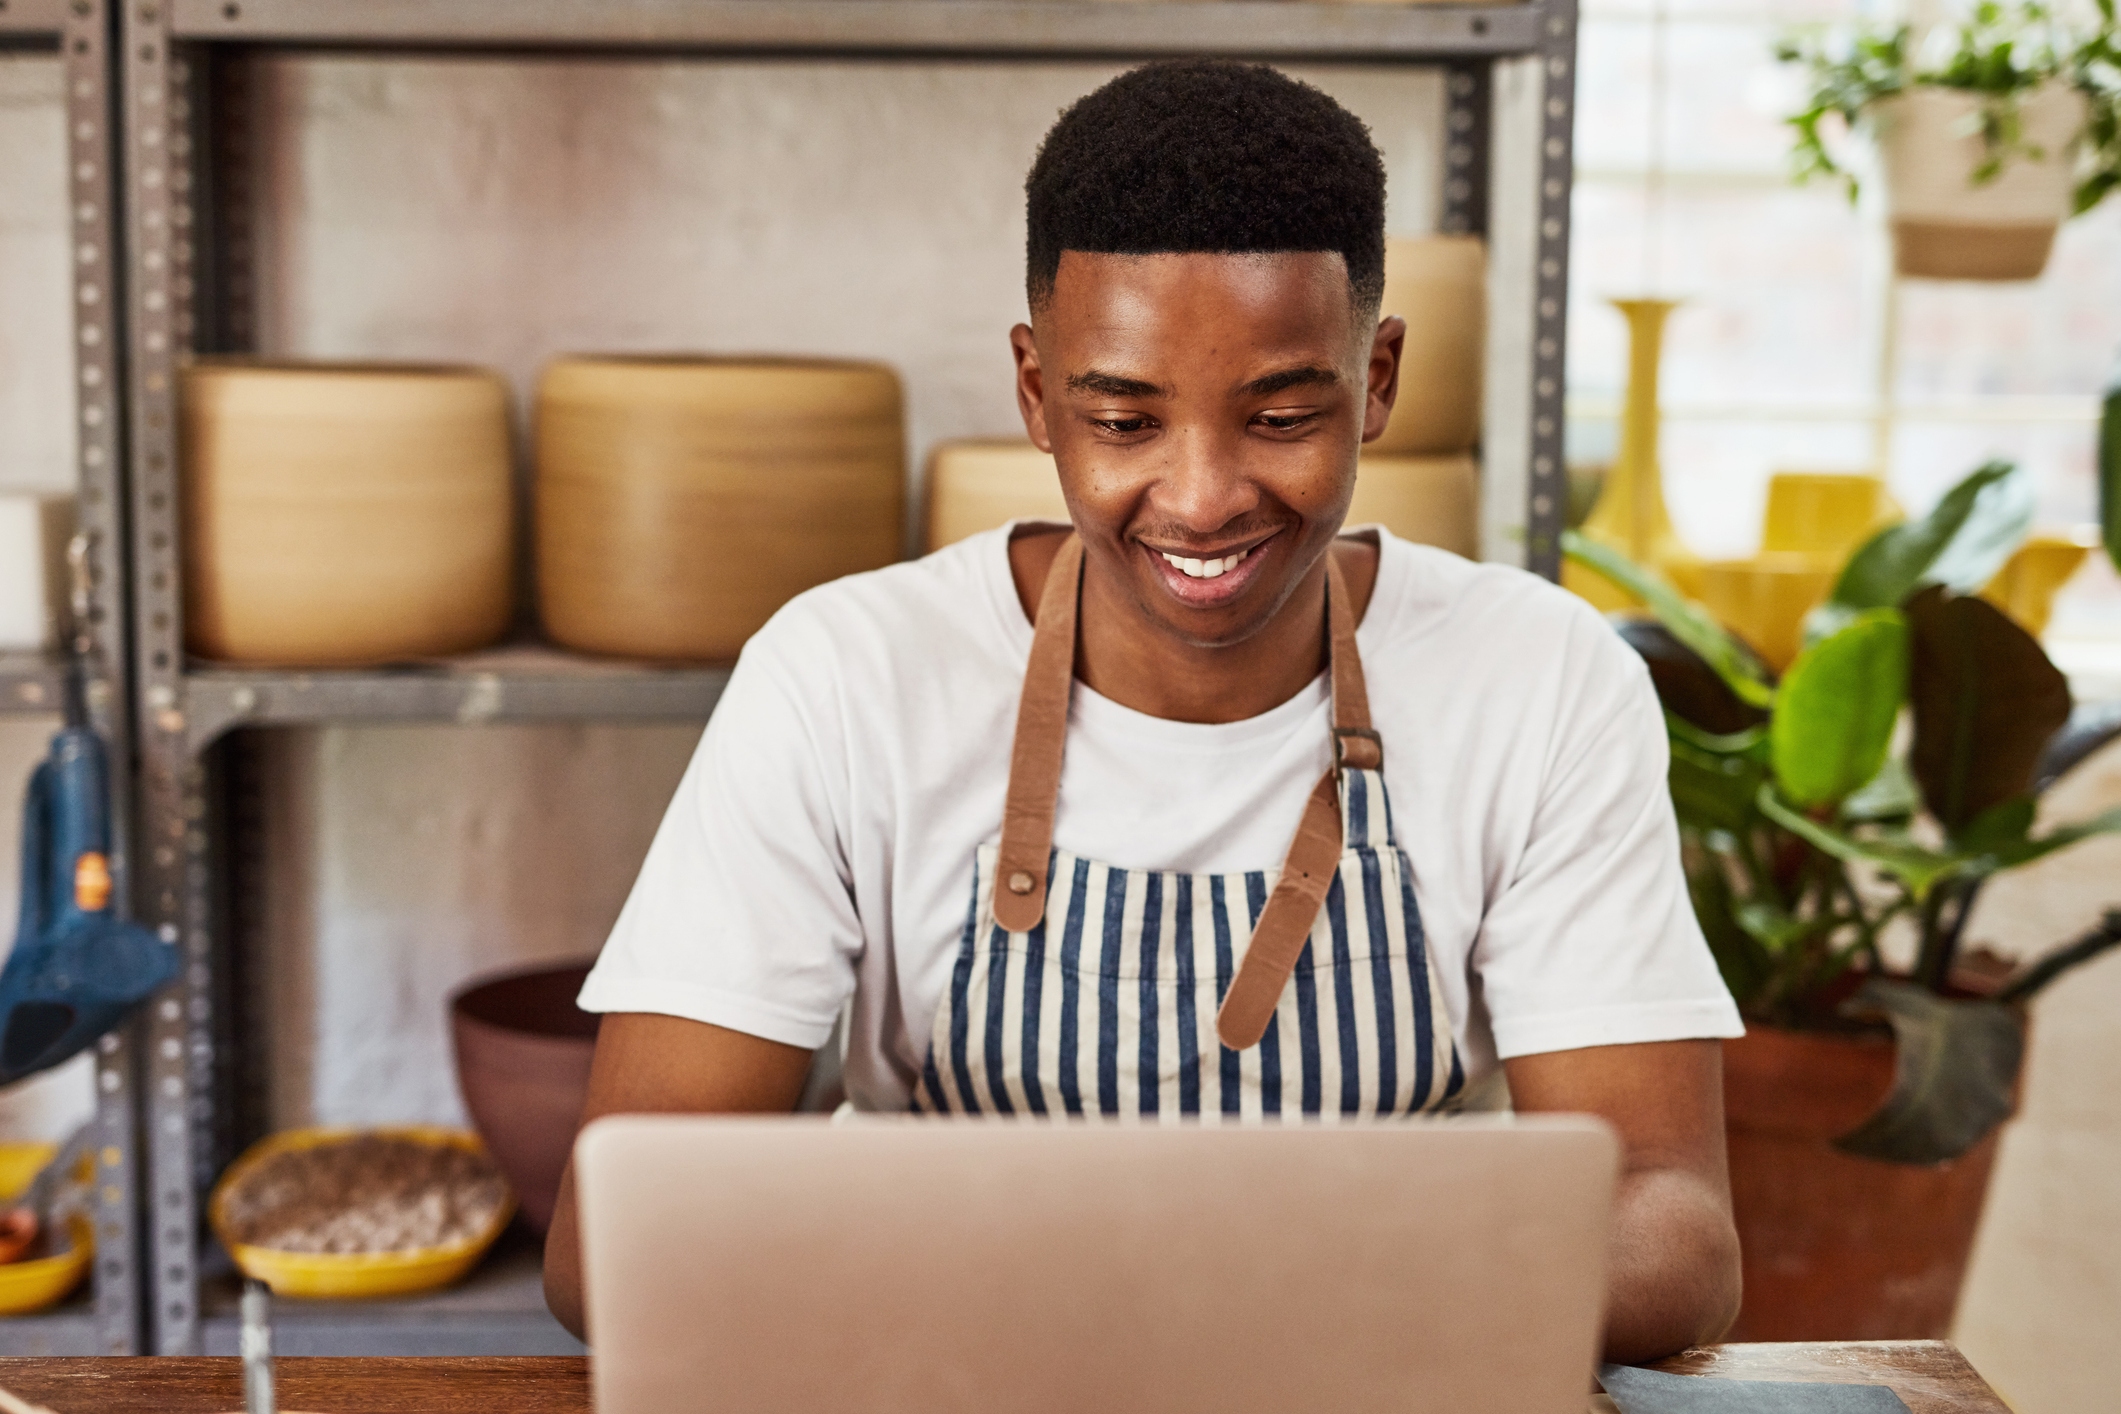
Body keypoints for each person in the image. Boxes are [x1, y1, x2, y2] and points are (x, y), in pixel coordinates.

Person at [544, 60, 1743, 1360]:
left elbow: (1674, 1229)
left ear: (1379, 377)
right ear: (1032, 392)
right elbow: (610, 1245)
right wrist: (1146, 1301)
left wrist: (1238, 1307)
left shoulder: (1541, 681)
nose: (1201, 496)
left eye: (1281, 414)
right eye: (1121, 417)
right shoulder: (843, 677)